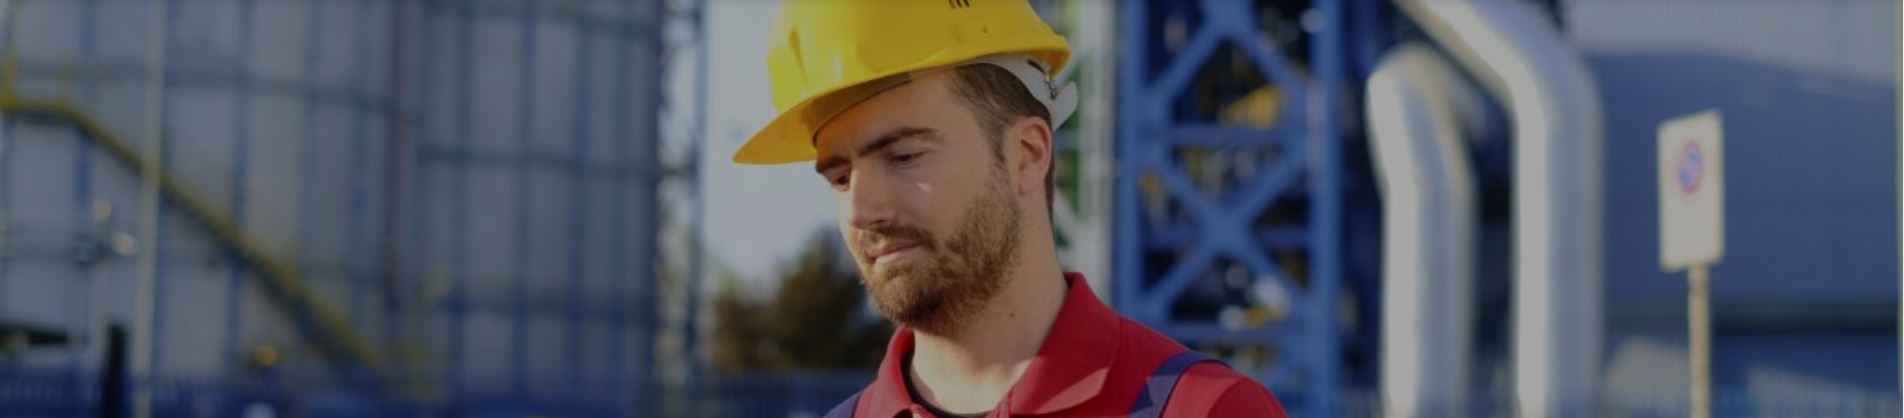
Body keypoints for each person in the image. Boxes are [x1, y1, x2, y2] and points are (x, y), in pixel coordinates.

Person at [732, 1, 1288, 416]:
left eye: (903, 155)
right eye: (840, 176)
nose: (860, 209)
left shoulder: (1204, 409)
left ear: (1027, 153)